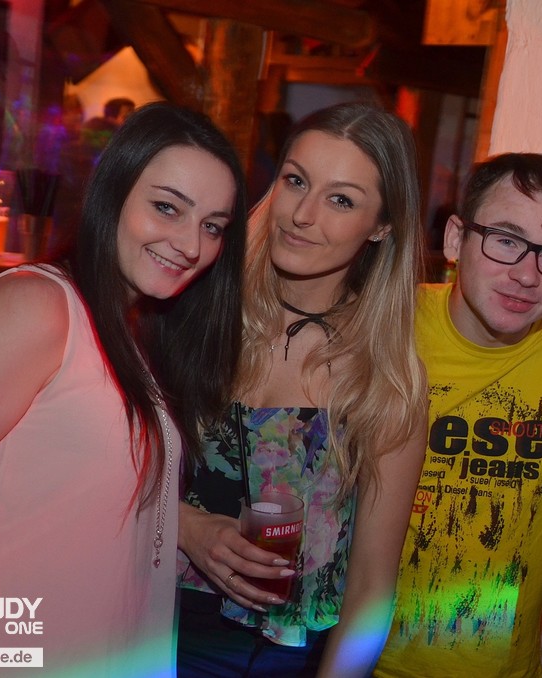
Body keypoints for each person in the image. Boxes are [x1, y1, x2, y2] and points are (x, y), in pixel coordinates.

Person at [0, 102, 248, 675]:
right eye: (167, 207)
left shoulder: (133, 333)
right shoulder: (39, 306)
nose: (191, 244)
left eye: (213, 226)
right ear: (113, 194)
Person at [175, 101, 428, 677]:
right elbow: (101, 474)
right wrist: (186, 525)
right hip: (138, 630)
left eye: (341, 200)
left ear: (382, 226)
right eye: (296, 181)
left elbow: (370, 590)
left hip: (276, 664)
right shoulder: (195, 313)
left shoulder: (385, 380)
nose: (303, 215)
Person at [373, 152, 542, 677]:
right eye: (506, 241)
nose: (526, 274)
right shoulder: (385, 326)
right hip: (364, 661)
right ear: (455, 239)